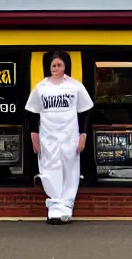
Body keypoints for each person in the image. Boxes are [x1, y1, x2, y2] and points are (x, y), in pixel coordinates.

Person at [25, 51, 94, 225]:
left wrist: (83, 136)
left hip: (70, 135)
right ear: (48, 67)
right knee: (50, 167)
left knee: (70, 169)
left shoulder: (75, 86)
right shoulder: (41, 87)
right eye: (53, 65)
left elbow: (86, 110)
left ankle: (67, 205)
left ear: (66, 66)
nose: (56, 68)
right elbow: (31, 112)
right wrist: (34, 136)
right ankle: (55, 205)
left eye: (60, 65)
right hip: (48, 136)